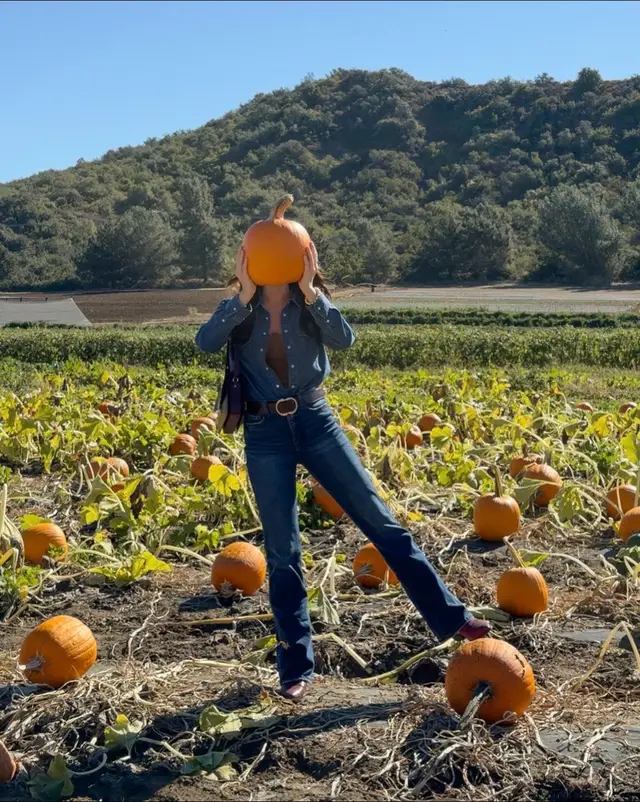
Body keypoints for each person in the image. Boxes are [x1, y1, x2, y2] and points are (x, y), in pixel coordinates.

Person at [195, 243, 490, 702]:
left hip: (317, 422)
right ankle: (295, 668)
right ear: (250, 259)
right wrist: (244, 295)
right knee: (283, 550)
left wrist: (312, 291)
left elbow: (344, 339)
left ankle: (451, 617)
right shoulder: (238, 308)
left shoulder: (311, 304)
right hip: (264, 431)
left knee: (381, 522)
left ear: (301, 256)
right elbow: (205, 342)